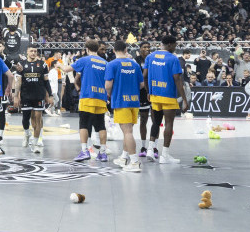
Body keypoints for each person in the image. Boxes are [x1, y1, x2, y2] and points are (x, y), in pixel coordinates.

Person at [145, 35, 189, 164]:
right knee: (169, 124)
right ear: (170, 44)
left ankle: (150, 150)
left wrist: (149, 92)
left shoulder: (150, 57)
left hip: (154, 95)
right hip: (168, 95)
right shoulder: (173, 59)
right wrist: (185, 100)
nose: (175, 47)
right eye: (175, 45)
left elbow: (145, 76)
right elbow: (177, 79)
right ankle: (165, 155)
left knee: (155, 122)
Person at [103, 41, 144, 173]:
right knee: (129, 131)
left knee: (127, 132)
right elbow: (142, 85)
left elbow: (108, 85)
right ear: (126, 50)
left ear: (114, 50)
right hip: (134, 101)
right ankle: (124, 157)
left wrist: (109, 95)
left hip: (121, 101)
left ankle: (134, 162)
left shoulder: (112, 64)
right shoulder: (135, 64)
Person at [72, 40, 110, 163]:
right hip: (101, 97)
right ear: (98, 48)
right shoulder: (105, 63)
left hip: (87, 96)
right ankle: (103, 153)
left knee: (83, 124)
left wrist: (59, 65)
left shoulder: (84, 60)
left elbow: (68, 69)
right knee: (100, 125)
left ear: (87, 49)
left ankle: (84, 151)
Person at [14, 46, 54, 155]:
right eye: (31, 51)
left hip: (38, 95)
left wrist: (50, 95)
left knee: (38, 117)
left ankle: (35, 143)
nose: (33, 53)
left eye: (35, 51)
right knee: (26, 118)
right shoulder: (21, 65)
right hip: (26, 95)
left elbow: (46, 82)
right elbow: (18, 82)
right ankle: (27, 133)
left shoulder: (43, 64)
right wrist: (16, 96)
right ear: (27, 52)